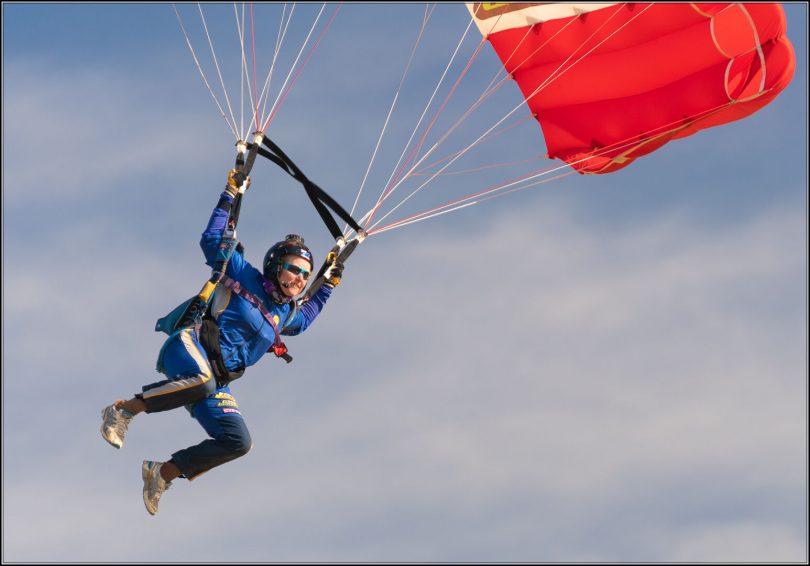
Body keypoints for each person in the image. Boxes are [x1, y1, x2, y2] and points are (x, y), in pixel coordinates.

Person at [100, 169, 344, 515]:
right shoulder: (244, 274)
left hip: (212, 381)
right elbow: (213, 239)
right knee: (201, 381)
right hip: (187, 348)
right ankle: (123, 410)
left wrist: (329, 284)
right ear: (276, 264)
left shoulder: (284, 313)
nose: (300, 279)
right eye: (294, 269)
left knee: (238, 441)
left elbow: (304, 319)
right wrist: (230, 194)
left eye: (306, 275)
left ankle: (162, 473)